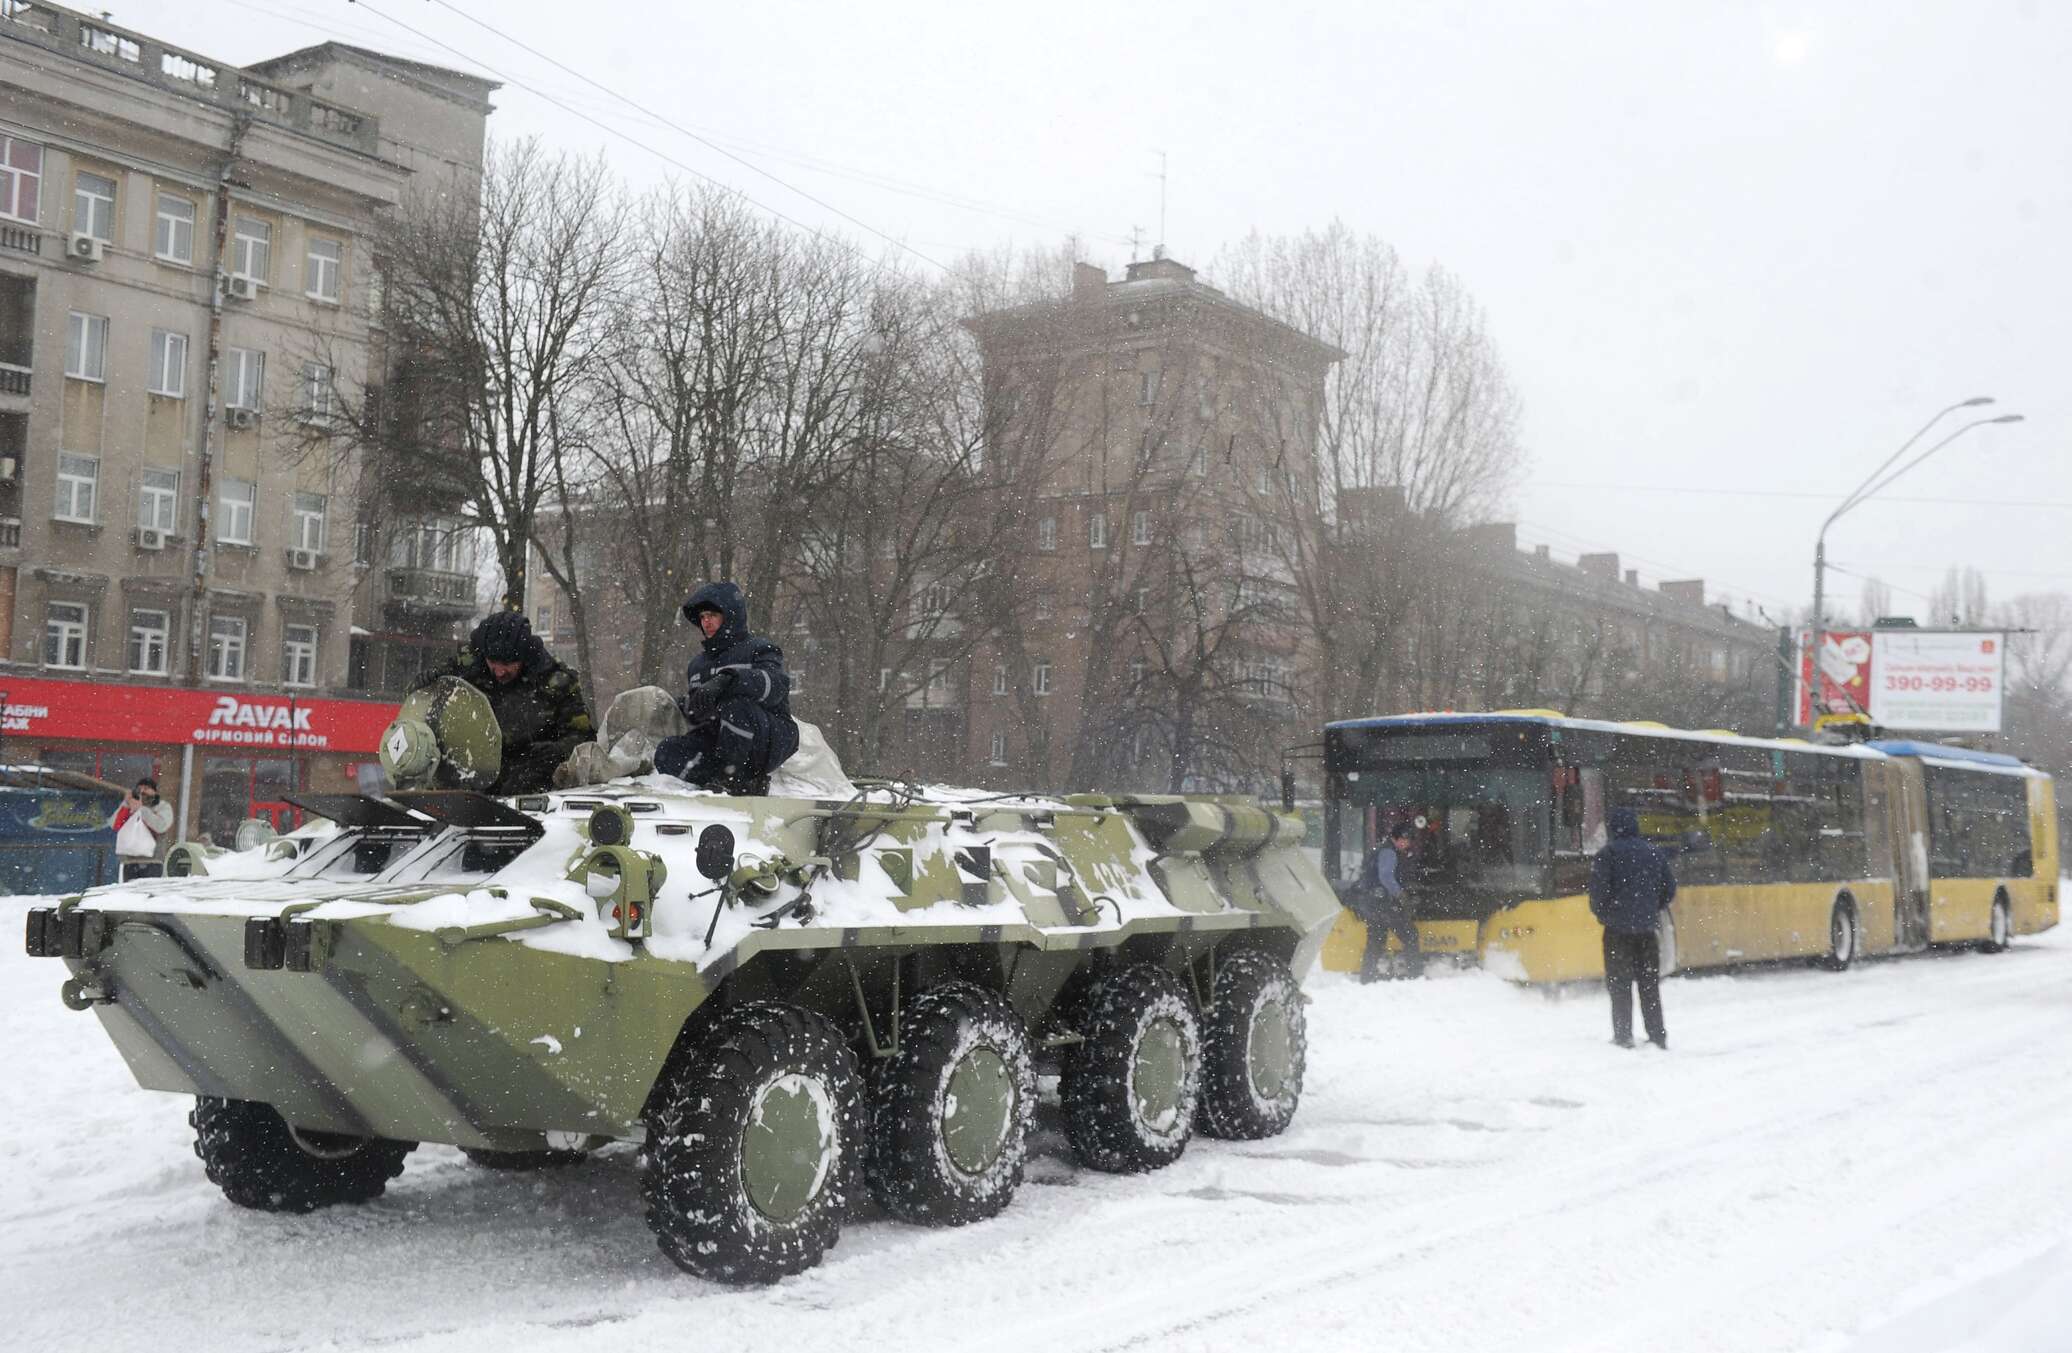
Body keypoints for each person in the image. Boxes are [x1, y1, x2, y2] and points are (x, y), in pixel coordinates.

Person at [419, 610, 594, 796]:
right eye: (493, 661)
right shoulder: (466, 665)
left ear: (524, 657)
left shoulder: (557, 682)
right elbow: (423, 704)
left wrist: (554, 752)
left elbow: (582, 738)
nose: (500, 671)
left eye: (508, 663)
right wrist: (424, 685)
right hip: (468, 769)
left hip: (530, 779)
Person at [655, 581, 799, 795]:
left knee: (736, 707)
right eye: (702, 617)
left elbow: (776, 686)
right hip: (719, 741)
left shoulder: (760, 649)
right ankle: (726, 780)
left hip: (767, 738)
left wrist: (728, 680)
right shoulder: (697, 665)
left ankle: (734, 777)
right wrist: (687, 706)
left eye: (713, 615)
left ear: (731, 615)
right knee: (667, 751)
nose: (706, 622)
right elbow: (699, 715)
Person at [1589, 806, 1677, 1049]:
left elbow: (1597, 895)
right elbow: (1669, 890)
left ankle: (1623, 1035)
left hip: (1617, 934)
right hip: (1647, 932)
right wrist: (1651, 909)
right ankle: (1657, 1035)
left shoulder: (1607, 855)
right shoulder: (1654, 853)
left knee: (1619, 985)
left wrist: (1607, 915)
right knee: (1649, 986)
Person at [1348, 824, 1424, 983]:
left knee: (1376, 940)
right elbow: (1386, 877)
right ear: (1397, 838)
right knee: (1410, 934)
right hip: (1383, 904)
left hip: (1372, 903)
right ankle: (1415, 975)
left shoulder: (1381, 849)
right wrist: (1400, 894)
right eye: (1405, 840)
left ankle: (1367, 977)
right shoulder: (1389, 852)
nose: (1407, 844)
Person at [110, 777, 174, 880]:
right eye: (140, 788)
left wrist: (141, 810)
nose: (142, 791)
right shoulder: (129, 805)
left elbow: (161, 826)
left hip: (153, 861)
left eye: (146, 788)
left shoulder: (163, 807)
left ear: (155, 791)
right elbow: (114, 825)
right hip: (129, 862)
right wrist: (126, 804)